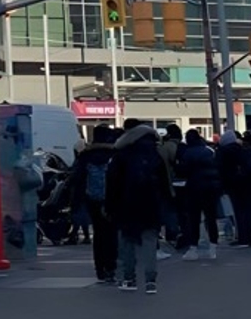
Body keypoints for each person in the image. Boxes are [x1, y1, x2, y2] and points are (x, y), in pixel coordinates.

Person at [107, 119, 172, 294]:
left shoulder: (121, 155)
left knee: (127, 241)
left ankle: (129, 278)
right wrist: (166, 204)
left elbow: (112, 183)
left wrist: (110, 206)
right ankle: (151, 281)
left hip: (126, 204)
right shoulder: (155, 155)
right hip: (151, 204)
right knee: (150, 241)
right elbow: (164, 183)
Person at [70, 123, 118, 284]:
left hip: (92, 200)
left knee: (98, 233)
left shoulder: (85, 156)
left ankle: (100, 269)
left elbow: (77, 180)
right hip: (111, 199)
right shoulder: (114, 154)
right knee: (112, 233)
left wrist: (76, 202)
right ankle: (112, 267)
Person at [177, 129, 221, 260]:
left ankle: (193, 248)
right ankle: (213, 247)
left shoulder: (187, 153)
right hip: (211, 187)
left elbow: (183, 170)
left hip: (194, 187)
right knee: (211, 217)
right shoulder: (209, 151)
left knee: (194, 219)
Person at [217, 130, 251, 247]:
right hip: (247, 183)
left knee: (238, 211)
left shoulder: (222, 152)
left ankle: (242, 238)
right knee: (247, 210)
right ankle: (250, 237)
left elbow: (220, 169)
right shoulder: (243, 150)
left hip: (232, 184)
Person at [158, 124, 184, 249]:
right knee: (174, 210)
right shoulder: (173, 147)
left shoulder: (163, 146)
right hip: (175, 183)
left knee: (170, 210)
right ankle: (174, 233)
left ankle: (171, 234)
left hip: (165, 183)